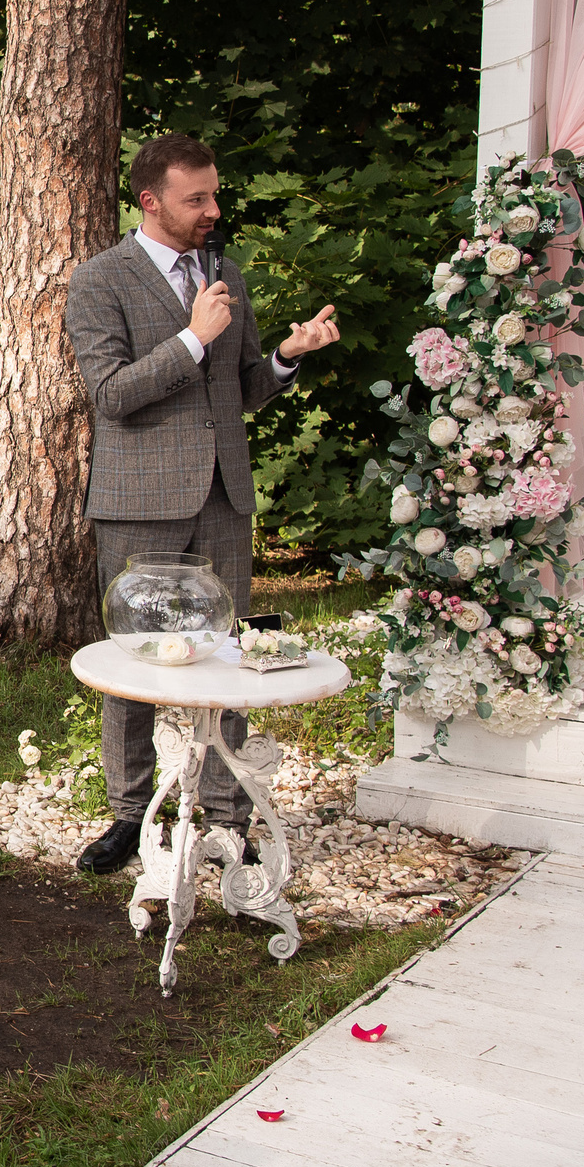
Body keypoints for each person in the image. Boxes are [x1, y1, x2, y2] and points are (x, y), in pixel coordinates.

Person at [67, 133, 341, 875]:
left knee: (236, 654)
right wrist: (193, 337)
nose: (213, 210)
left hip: (224, 494)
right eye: (197, 199)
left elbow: (239, 390)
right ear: (150, 201)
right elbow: (111, 394)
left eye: (215, 194)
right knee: (132, 661)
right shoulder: (100, 280)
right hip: (139, 499)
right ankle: (129, 814)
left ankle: (225, 816)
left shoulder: (226, 274)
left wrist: (285, 357)